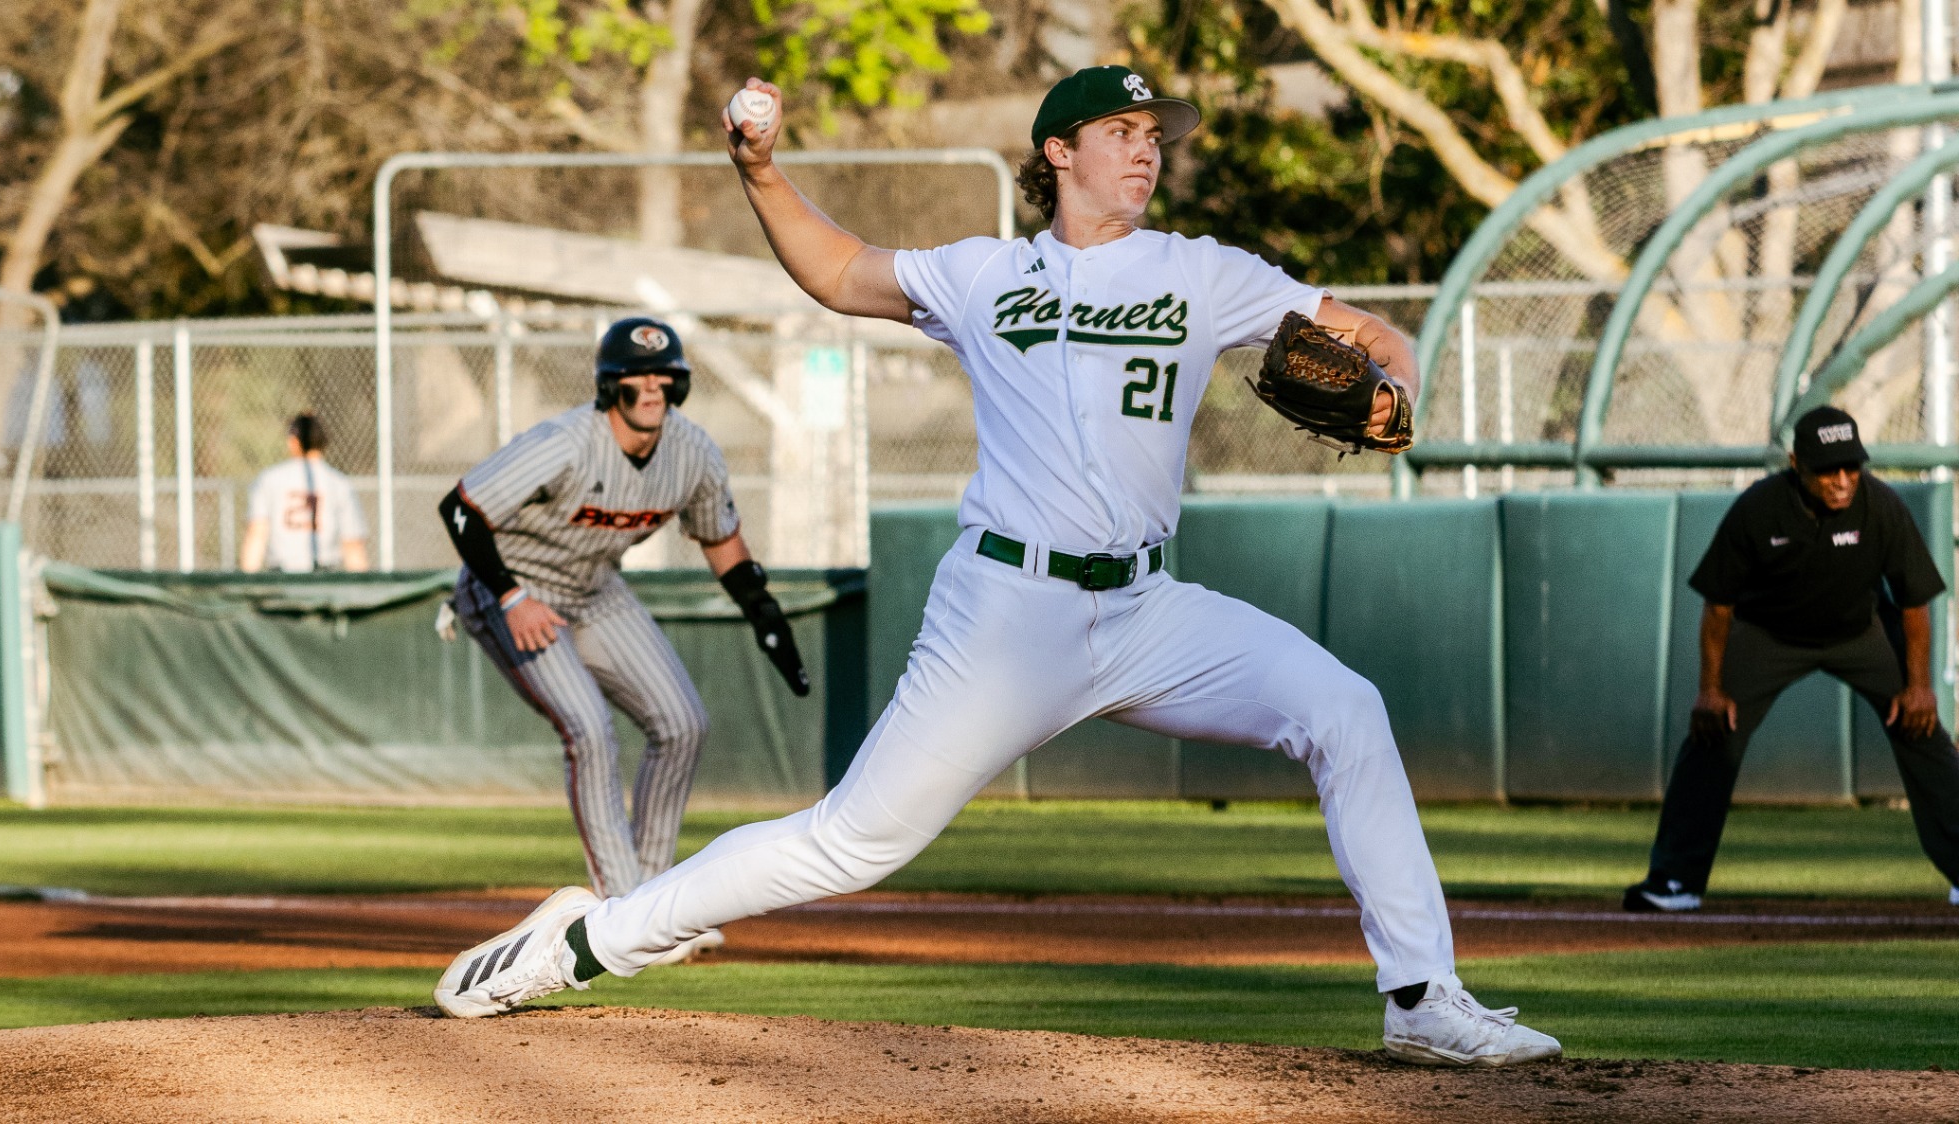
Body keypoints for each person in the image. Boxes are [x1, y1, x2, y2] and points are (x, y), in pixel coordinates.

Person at [434, 67, 1560, 1068]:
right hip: (1006, 611)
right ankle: (583, 938)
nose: (1144, 147)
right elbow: (837, 271)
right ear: (1057, 154)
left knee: (1343, 708)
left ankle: (1421, 998)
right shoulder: (981, 275)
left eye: (1155, 134)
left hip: (1145, 607)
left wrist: (1397, 384)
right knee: (851, 839)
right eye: (1120, 129)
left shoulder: (1202, 273)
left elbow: (1367, 334)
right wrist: (761, 170)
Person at [434, 317, 810, 962]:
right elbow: (462, 509)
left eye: (665, 375)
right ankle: (620, 913)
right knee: (589, 729)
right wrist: (511, 596)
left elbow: (719, 539)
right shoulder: (566, 441)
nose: (653, 387)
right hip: (512, 586)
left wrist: (764, 613)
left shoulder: (690, 451)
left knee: (683, 722)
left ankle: (655, 905)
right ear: (611, 386)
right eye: (638, 377)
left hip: (593, 585)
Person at [1625, 406, 1959, 913]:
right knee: (1713, 733)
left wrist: (1919, 686)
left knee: (1923, 729)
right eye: (1828, 470)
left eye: (1851, 467)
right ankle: (1675, 879)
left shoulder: (1881, 506)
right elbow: (1719, 606)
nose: (1842, 480)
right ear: (1796, 463)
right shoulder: (1760, 509)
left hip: (1860, 630)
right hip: (1769, 635)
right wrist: (1710, 690)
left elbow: (1914, 602)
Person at [239, 414, 370, 573]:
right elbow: (352, 546)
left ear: (293, 441)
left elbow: (257, 534)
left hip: (282, 578)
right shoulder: (339, 483)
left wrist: (248, 585)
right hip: (324, 578)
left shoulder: (269, 479)